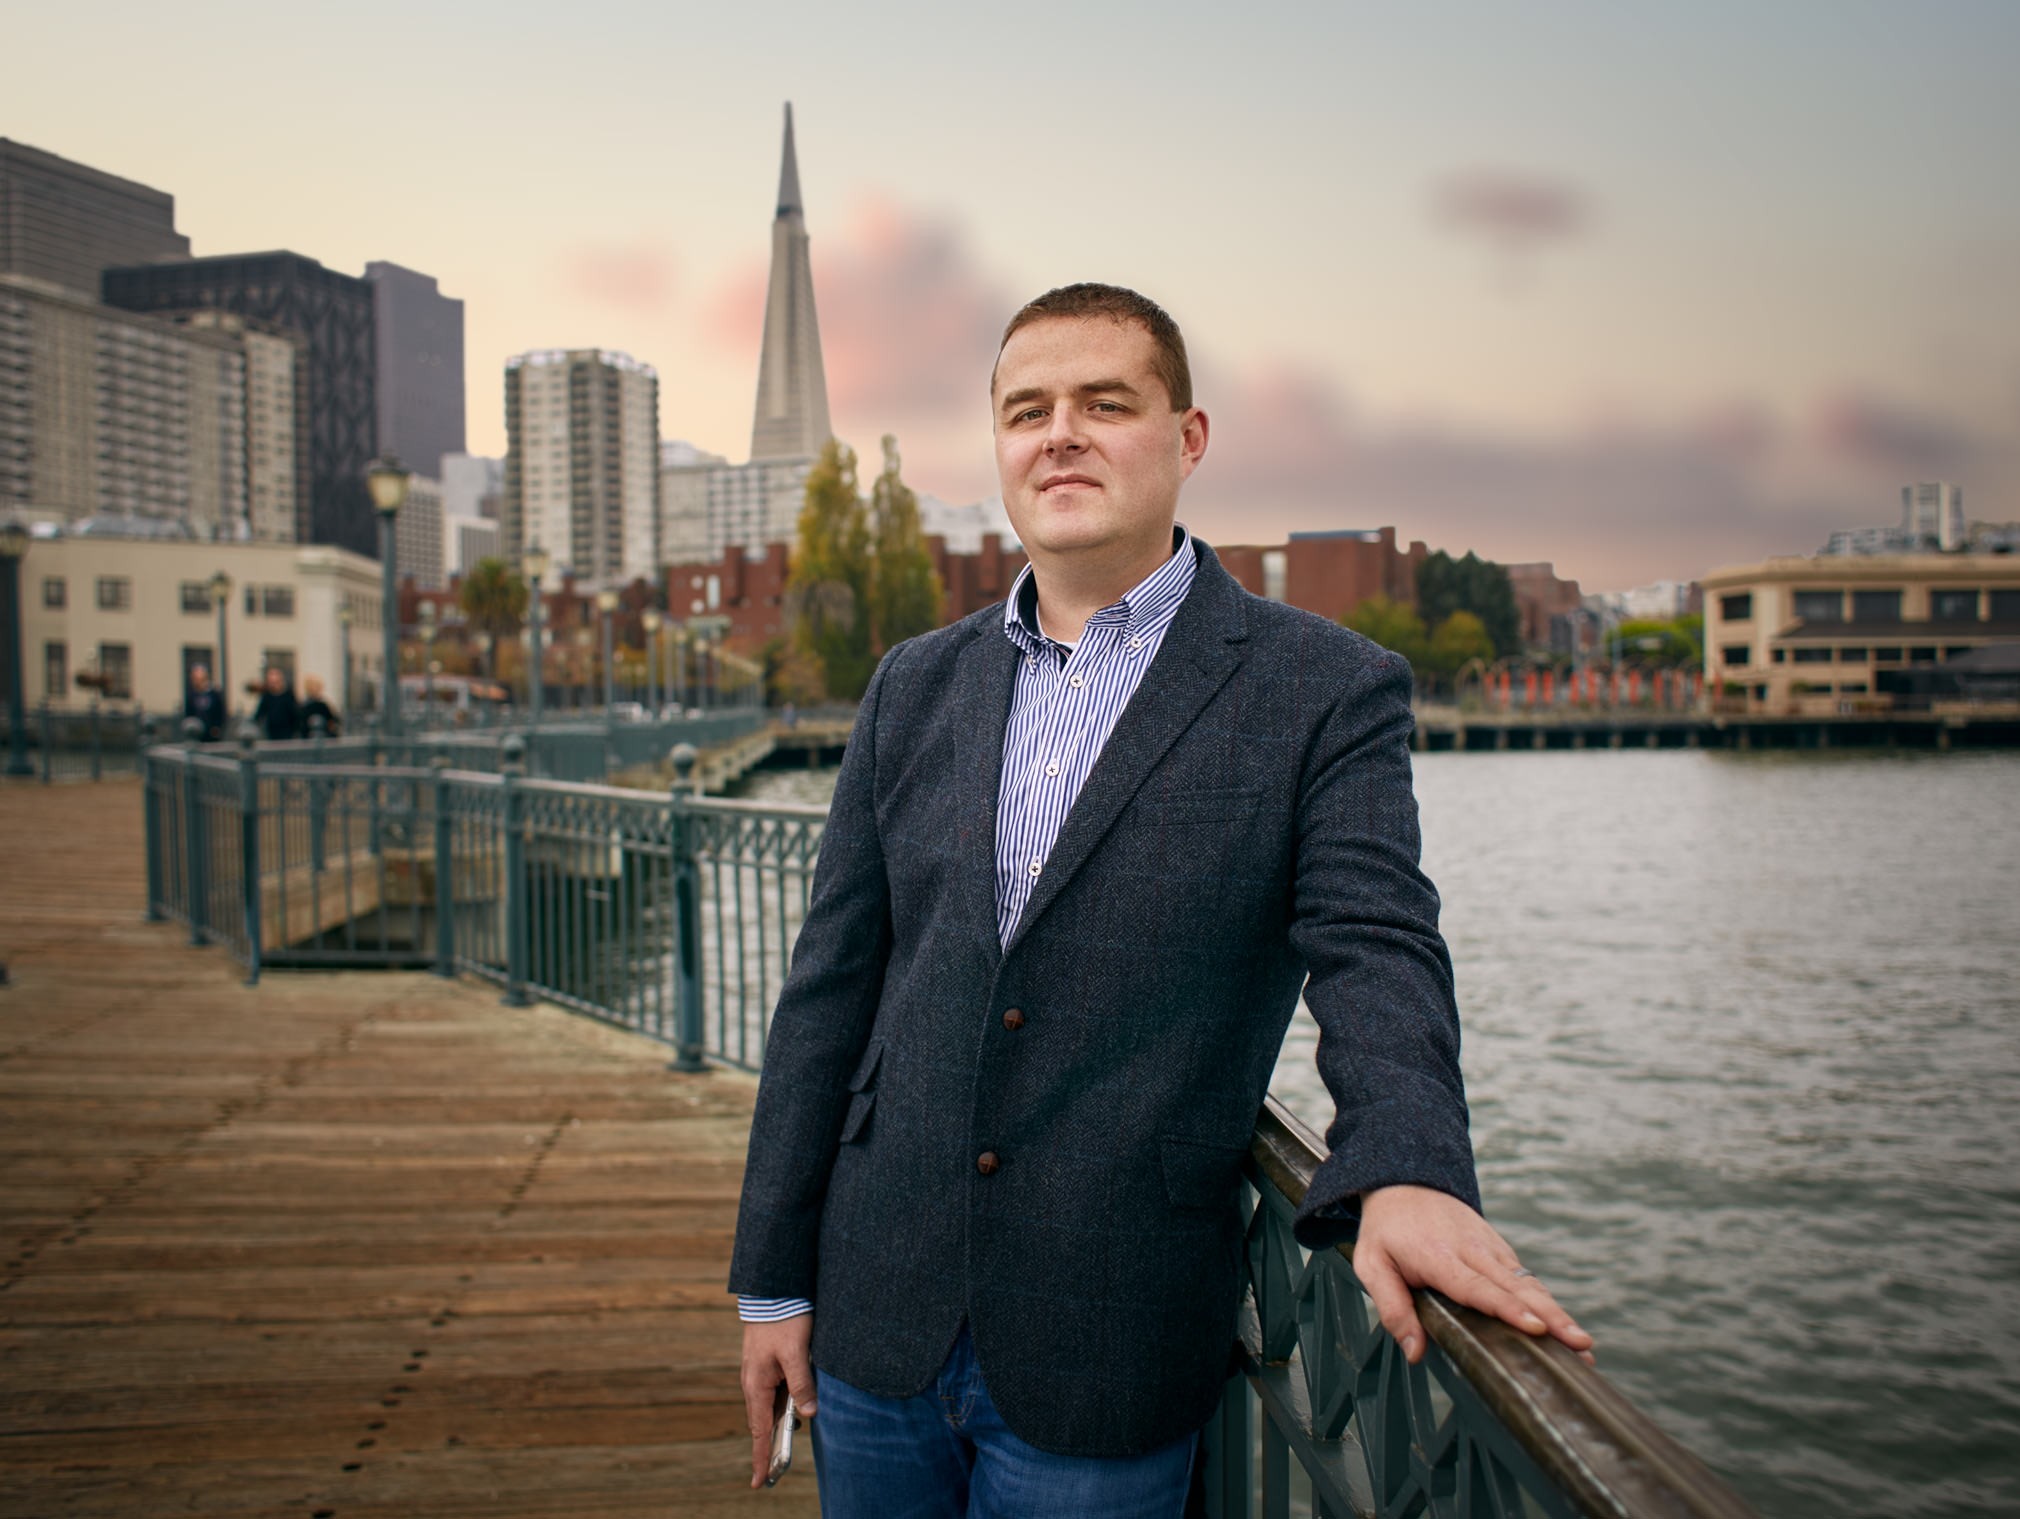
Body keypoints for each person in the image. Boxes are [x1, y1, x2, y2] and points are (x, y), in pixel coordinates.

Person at [729, 284, 1592, 1514]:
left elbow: (1376, 943)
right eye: (1027, 410)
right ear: (1000, 447)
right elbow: (828, 991)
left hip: (1109, 1327)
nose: (1059, 434)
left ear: (1187, 440)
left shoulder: (1323, 689)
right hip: (877, 1309)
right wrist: (771, 1281)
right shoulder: (912, 685)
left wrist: (1407, 1165)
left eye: (1104, 403)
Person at [251, 665, 301, 742]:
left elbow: (295, 714)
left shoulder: (288, 695)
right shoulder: (267, 696)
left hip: (287, 733)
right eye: (271, 682)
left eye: (275, 682)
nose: (273, 685)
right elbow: (259, 713)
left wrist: (296, 731)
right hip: (271, 733)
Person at [183, 664, 226, 742]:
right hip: (196, 734)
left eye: (198, 679)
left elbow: (221, 712)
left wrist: (217, 727)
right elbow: (188, 713)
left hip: (212, 735)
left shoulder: (214, 695)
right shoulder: (191, 696)